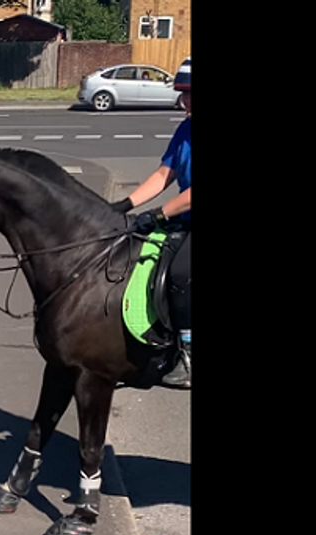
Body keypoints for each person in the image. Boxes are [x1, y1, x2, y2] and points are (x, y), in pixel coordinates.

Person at [110, 57, 191, 388]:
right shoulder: (186, 128)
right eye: (182, 93)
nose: (184, 100)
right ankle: (163, 344)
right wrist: (123, 205)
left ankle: (187, 355)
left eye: (190, 93)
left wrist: (159, 214)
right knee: (147, 256)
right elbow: (163, 176)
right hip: (184, 219)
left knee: (180, 273)